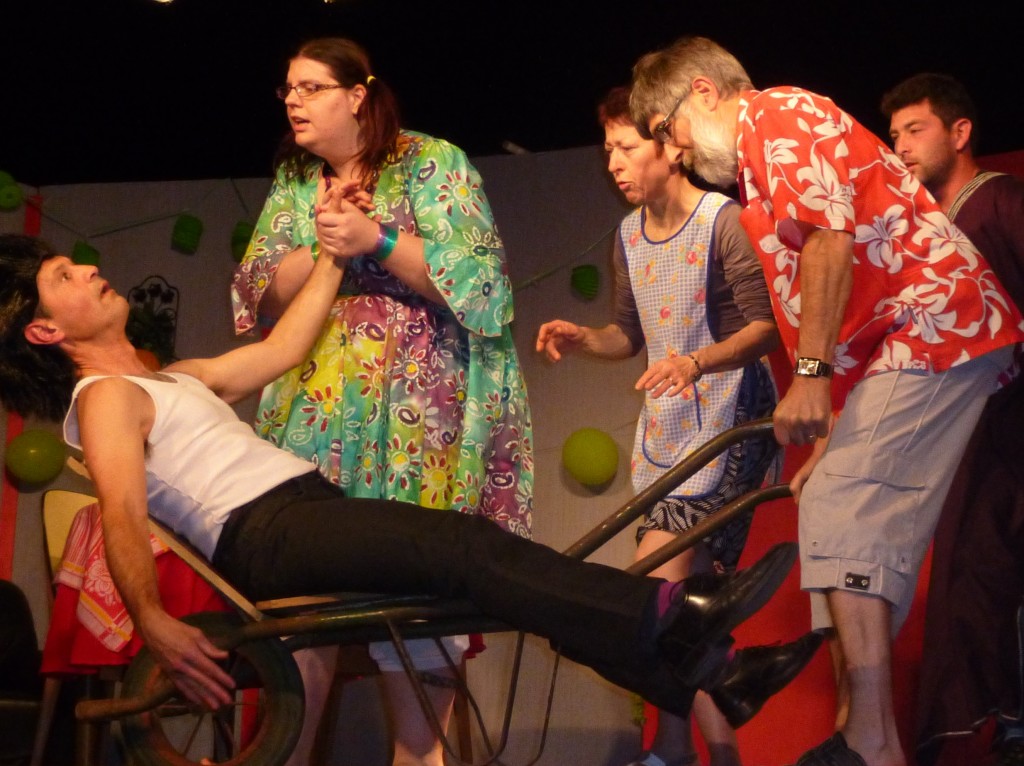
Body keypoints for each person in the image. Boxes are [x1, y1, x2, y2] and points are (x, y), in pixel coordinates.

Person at [0, 233, 818, 759]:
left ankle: (713, 673)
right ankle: (675, 614)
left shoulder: (172, 379)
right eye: (66, 277)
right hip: (267, 534)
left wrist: (334, 251)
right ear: (45, 330)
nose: (91, 270)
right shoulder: (101, 400)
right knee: (464, 547)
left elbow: (285, 347)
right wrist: (152, 621)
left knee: (482, 583)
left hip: (304, 512)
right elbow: (121, 509)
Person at [628, 37, 1024, 766]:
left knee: (845, 505)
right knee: (827, 508)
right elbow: (824, 305)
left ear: (704, 92)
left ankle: (870, 738)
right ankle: (863, 727)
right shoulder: (754, 180)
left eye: (665, 127)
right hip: (893, 345)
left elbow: (829, 246)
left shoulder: (777, 113)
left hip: (935, 322)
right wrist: (830, 425)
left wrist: (809, 379)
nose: (673, 148)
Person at [229, 37, 533, 766]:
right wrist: (327, 243)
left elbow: (481, 286)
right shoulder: (296, 182)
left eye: (310, 87)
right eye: (287, 89)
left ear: (356, 95)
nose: (293, 101)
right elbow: (257, 290)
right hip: (315, 412)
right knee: (304, 606)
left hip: (417, 418)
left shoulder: (430, 161)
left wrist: (378, 237)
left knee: (415, 604)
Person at [536, 86, 818, 766]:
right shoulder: (628, 235)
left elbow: (765, 327)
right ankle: (704, 745)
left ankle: (678, 744)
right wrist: (586, 338)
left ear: (670, 146)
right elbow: (629, 335)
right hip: (667, 427)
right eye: (608, 149)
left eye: (626, 147)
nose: (613, 162)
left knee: (652, 591)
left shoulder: (722, 220)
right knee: (688, 607)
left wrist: (696, 361)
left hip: (730, 415)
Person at [881, 73, 1024, 766]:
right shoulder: (929, 231)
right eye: (894, 135)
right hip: (970, 437)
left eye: (915, 130)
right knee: (976, 580)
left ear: (960, 132)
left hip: (1014, 430)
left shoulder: (1000, 201)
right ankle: (1005, 726)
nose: (901, 147)